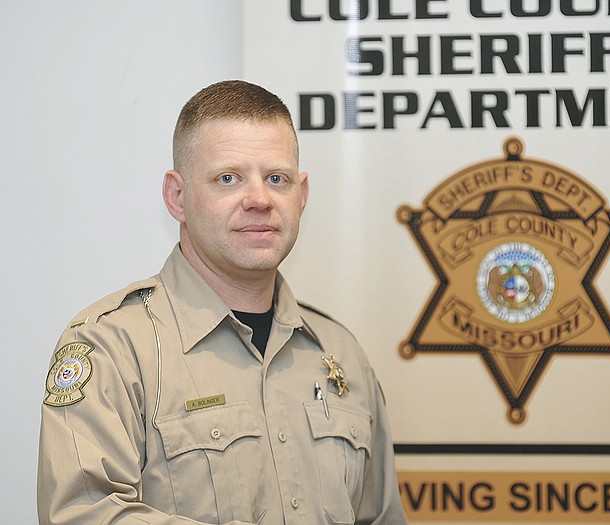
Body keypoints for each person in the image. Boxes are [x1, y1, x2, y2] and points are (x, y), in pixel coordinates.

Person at [37, 80, 409, 525]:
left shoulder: (339, 352)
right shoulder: (113, 347)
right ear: (177, 197)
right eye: (228, 178)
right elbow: (83, 516)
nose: (259, 200)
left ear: (302, 195)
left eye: (277, 178)